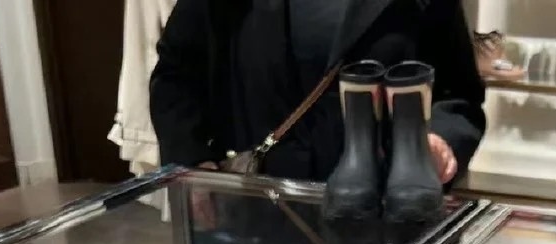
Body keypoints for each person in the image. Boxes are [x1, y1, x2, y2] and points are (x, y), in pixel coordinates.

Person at [150, 0, 485, 188]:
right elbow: (177, 74)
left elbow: (458, 94)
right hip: (250, 214)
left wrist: (440, 140)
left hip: (382, 220)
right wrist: (193, 162)